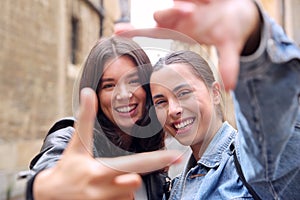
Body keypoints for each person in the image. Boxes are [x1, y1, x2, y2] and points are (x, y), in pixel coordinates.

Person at [147, 0, 300, 199]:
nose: (173, 110)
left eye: (184, 93)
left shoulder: (252, 162)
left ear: (215, 93)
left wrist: (251, 44)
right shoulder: (174, 189)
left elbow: (275, 116)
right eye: (161, 101)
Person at [26, 36, 181, 200]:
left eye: (133, 81)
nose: (123, 95)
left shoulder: (148, 148)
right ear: (96, 93)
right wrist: (41, 189)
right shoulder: (68, 138)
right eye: (109, 85)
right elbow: (53, 171)